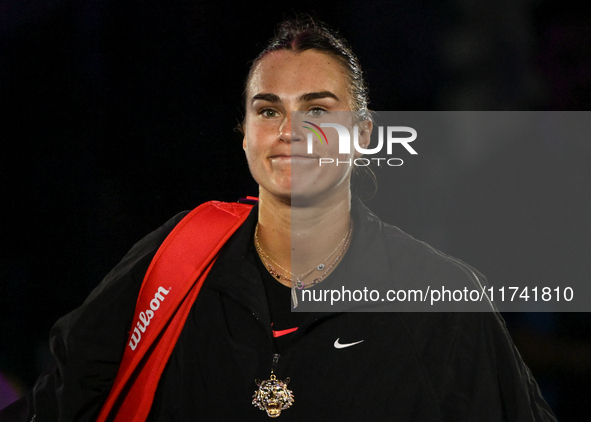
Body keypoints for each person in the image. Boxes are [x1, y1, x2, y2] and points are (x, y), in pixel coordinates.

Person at [2, 17, 556, 421]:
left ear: (362, 136)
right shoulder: (179, 255)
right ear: (245, 134)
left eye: (318, 109)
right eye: (269, 110)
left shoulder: (440, 303)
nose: (291, 132)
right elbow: (60, 401)